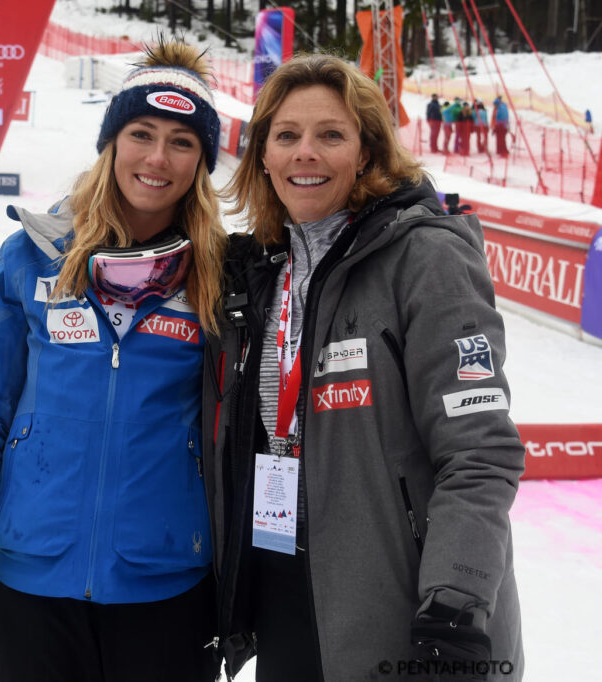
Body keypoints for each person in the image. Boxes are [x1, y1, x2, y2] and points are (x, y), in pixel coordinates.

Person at [0, 38, 227, 682]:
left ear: (202, 161)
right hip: (32, 579)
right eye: (141, 134)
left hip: (166, 585)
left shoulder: (221, 274)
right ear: (111, 143)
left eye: (182, 142)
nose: (157, 158)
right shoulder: (30, 257)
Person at [205, 53, 524, 681]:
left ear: (367, 152)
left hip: (407, 608)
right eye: (286, 135)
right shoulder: (261, 271)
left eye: (331, 134)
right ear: (263, 156)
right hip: (286, 595)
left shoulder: (425, 258)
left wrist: (455, 601)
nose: (305, 152)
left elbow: (479, 450)